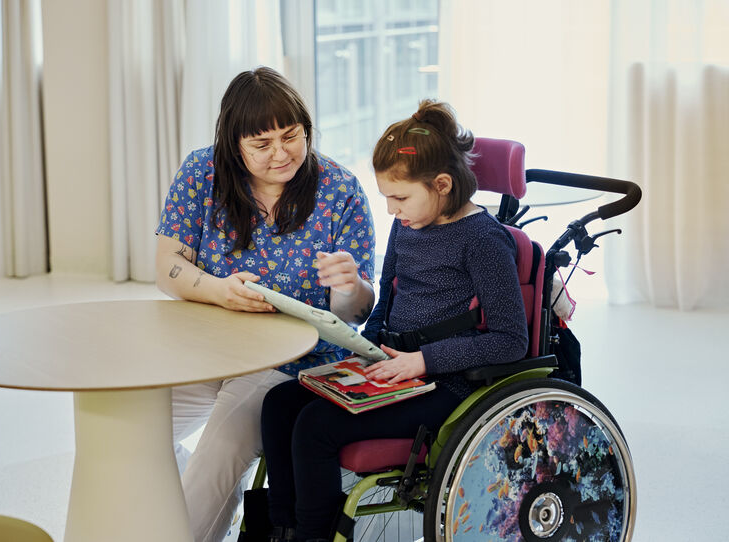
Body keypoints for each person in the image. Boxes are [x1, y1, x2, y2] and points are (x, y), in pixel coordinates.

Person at [260, 100, 529, 542]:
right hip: (392, 368)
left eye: (399, 197)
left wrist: (422, 361)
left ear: (442, 184)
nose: (391, 211)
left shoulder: (483, 240)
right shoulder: (410, 222)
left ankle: (313, 535)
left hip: (447, 386)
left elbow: (509, 340)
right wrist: (363, 346)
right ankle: (281, 526)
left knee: (315, 427)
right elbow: (388, 298)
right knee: (280, 405)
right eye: (386, 197)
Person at [154, 66, 376, 542]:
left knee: (219, 453)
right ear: (234, 144)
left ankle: (197, 519)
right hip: (208, 345)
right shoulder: (202, 172)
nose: (281, 153)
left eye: (291, 136)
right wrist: (219, 290)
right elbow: (167, 266)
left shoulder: (340, 190)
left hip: (291, 362)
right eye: (262, 144)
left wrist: (349, 284)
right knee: (136, 432)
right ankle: (205, 508)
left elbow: (355, 313)